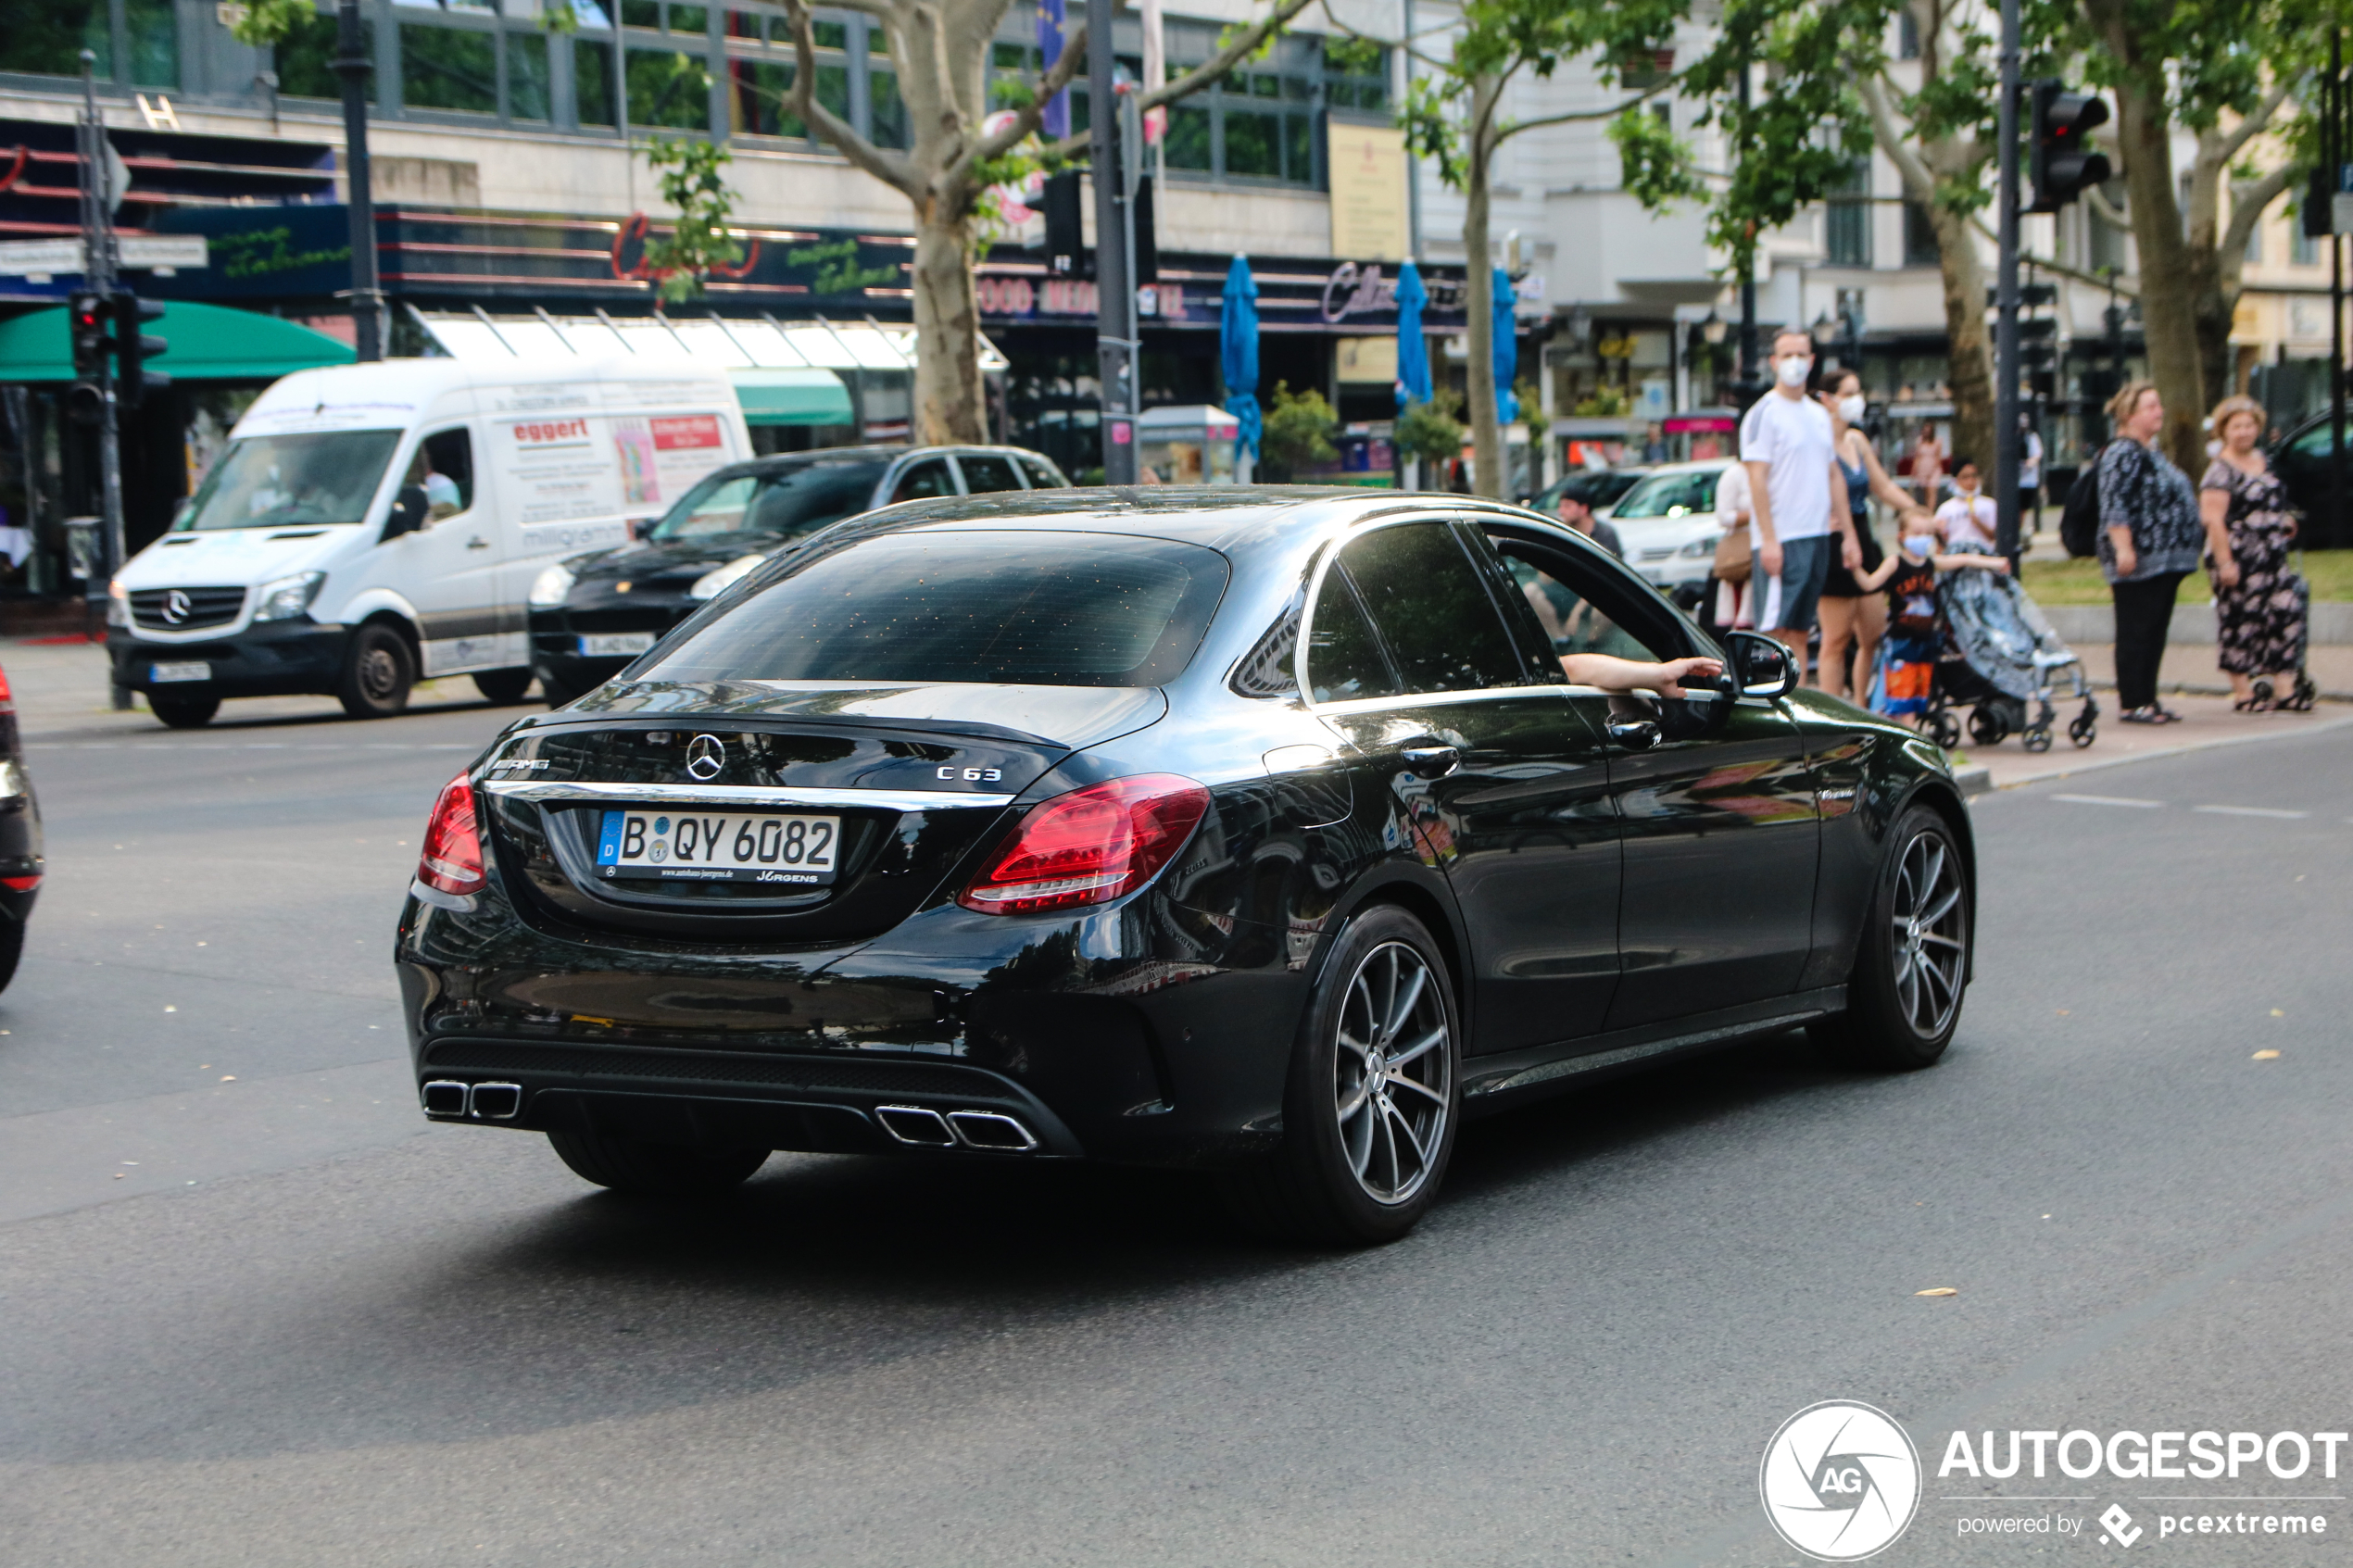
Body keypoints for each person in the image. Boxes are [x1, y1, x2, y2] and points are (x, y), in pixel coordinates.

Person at [1741, 329, 1862, 676]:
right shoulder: (1764, 413)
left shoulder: (1819, 414)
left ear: (1811, 361)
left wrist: (1849, 535)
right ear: (1774, 362)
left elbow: (1833, 476)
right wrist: (1768, 539)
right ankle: (1769, 704)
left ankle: (1798, 705)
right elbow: (1756, 478)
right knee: (1775, 630)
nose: (1794, 362)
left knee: (1800, 630)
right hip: (1782, 537)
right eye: (1787, 355)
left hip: (1817, 534)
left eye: (1801, 355)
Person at [2097, 381, 2205, 724]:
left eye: (2159, 405)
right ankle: (2132, 701)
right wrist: (2123, 549)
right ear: (2129, 415)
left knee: (2155, 630)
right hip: (2140, 559)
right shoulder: (2122, 453)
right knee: (2136, 630)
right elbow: (2114, 502)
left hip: (2167, 560)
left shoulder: (2151, 451)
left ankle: (2148, 697)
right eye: (2150, 407)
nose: (2159, 412)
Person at [2199, 394, 2314, 711]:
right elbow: (2212, 519)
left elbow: (2271, 501)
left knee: (2285, 612)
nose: (2244, 432)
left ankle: (2285, 688)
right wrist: (2225, 563)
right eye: (2237, 426)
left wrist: (2283, 521)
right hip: (2238, 557)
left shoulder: (2264, 461)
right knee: (2241, 620)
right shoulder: (2220, 471)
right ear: (2224, 430)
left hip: (2273, 556)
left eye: (2249, 425)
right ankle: (2243, 693)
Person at [1855, 517, 2013, 717]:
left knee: (1916, 696)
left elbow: (1963, 559)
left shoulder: (1930, 564)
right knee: (1899, 696)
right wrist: (1854, 567)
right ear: (1902, 537)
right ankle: (1902, 732)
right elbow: (1870, 584)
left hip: (1925, 640)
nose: (1923, 539)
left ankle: (1909, 732)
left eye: (1927, 534)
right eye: (1917, 533)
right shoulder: (1895, 563)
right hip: (1901, 640)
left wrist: (1995, 563)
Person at [1815, 372, 1908, 703]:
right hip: (1832, 539)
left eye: (1858, 391)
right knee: (1836, 638)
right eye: (1849, 393)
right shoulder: (1817, 439)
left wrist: (1919, 513)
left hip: (1863, 533)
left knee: (1872, 632)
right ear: (1827, 398)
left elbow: (1883, 486)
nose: (1857, 399)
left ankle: (1862, 704)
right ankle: (1830, 711)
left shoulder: (1856, 440)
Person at [1711, 458, 1754, 632]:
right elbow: (1723, 517)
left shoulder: (1774, 469)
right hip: (1743, 552)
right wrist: (1757, 514)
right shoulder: (1735, 474)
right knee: (1743, 612)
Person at [1933, 459, 1998, 550]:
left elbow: (1995, 536)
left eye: (1974, 476)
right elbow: (1939, 541)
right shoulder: (1946, 508)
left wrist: (1978, 523)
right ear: (1956, 480)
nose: (1970, 481)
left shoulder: (1990, 504)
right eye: (1965, 477)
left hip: (1983, 554)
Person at [1558, 488, 1624, 559]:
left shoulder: (1605, 534)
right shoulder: (1563, 532)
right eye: (1561, 506)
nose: (1561, 511)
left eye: (1567, 506)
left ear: (1584, 509)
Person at [2018, 415, 2045, 539]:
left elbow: (2037, 454)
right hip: (2016, 480)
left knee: (2023, 507)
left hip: (2028, 480)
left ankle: (2019, 528)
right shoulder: (2014, 437)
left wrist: (2030, 462)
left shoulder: (2031, 437)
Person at [1906, 427, 1945, 507]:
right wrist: (1914, 469)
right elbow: (1917, 457)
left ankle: (1930, 512)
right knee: (1925, 492)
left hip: (1933, 468)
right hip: (1922, 468)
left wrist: (1932, 470)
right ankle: (1926, 511)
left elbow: (1938, 457)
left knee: (1932, 490)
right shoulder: (1919, 441)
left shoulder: (1937, 441)